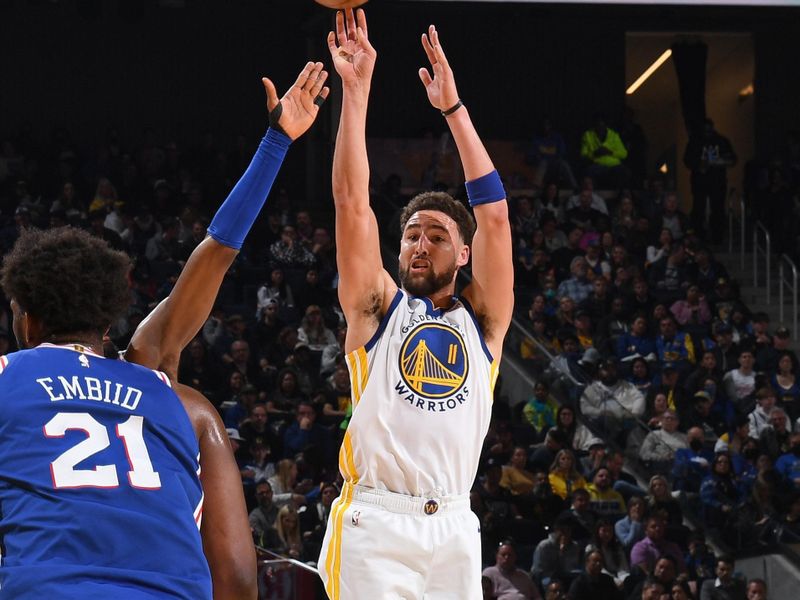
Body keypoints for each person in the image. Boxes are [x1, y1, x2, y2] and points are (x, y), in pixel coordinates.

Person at [318, 11, 515, 599]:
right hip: (375, 521)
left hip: (455, 524)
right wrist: (356, 92)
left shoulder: (484, 323)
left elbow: (496, 217)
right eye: (410, 234)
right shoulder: (378, 307)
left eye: (435, 236)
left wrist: (454, 110)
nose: (418, 243)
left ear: (462, 254)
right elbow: (352, 202)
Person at [0, 227, 255, 598]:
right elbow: (236, 577)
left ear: (28, 320)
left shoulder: (7, 377)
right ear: (106, 323)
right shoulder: (184, 403)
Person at [683, 118, 737, 243]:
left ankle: (716, 237)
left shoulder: (721, 141)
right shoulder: (696, 142)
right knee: (699, 208)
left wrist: (720, 162)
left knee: (716, 209)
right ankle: (700, 235)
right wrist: (699, 165)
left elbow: (732, 159)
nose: (707, 132)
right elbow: (687, 160)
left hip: (717, 181)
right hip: (700, 181)